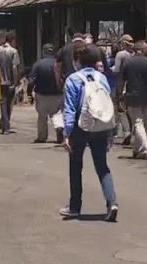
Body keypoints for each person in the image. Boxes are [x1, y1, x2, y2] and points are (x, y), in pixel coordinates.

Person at [61, 44, 118, 221]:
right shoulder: (102, 78)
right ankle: (112, 202)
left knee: (75, 165)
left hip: (80, 126)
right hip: (100, 124)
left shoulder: (73, 79)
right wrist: (111, 130)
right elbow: (107, 103)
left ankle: (75, 207)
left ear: (78, 61)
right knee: (102, 165)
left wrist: (67, 133)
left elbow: (69, 109)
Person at [119, 41, 147, 159]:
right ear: (141, 49)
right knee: (145, 123)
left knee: (137, 123)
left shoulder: (127, 62)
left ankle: (139, 148)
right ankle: (144, 149)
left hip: (132, 96)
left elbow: (122, 81)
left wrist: (120, 95)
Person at [29, 44, 65, 144]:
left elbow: (31, 81)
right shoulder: (58, 64)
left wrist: (29, 93)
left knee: (42, 117)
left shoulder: (38, 64)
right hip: (57, 94)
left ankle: (42, 137)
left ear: (43, 52)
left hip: (41, 94)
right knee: (57, 114)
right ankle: (59, 128)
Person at [0, 32, 22, 134]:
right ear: (12, 40)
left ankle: (3, 123)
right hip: (10, 82)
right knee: (9, 104)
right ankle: (6, 125)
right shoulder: (13, 51)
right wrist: (16, 81)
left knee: (3, 103)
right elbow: (14, 68)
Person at [112, 35, 136, 145]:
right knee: (131, 109)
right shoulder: (134, 55)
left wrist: (108, 69)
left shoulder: (120, 55)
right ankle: (133, 130)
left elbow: (116, 70)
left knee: (120, 109)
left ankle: (126, 131)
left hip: (121, 84)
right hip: (132, 85)